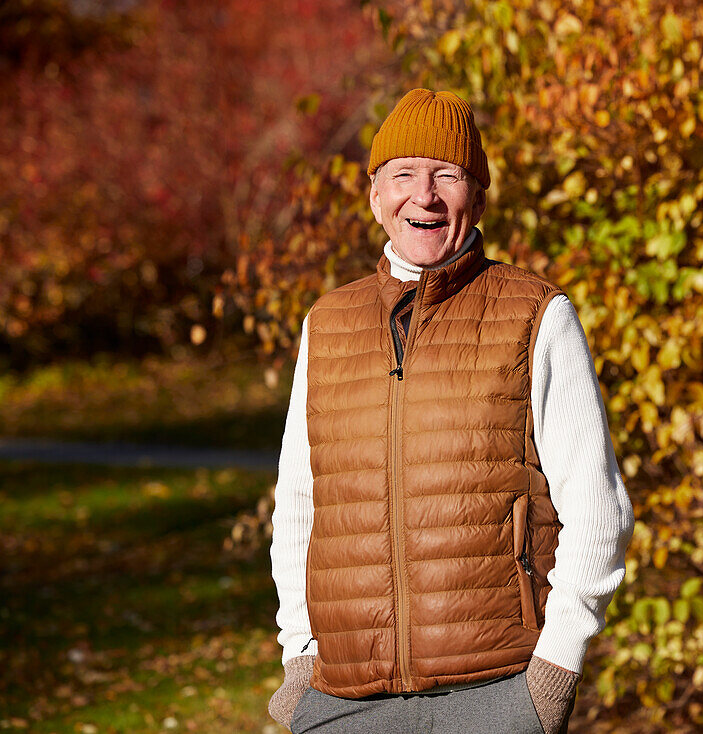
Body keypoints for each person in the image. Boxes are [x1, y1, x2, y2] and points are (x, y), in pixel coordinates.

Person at [265, 88, 634, 733]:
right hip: (343, 701)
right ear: (375, 195)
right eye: (403, 174)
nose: (425, 196)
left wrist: (553, 673)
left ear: (479, 194)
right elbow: (300, 507)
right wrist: (300, 659)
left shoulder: (536, 315)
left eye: (448, 175)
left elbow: (599, 511)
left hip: (497, 694)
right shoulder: (326, 324)